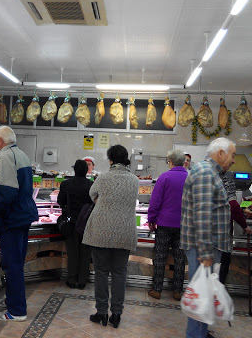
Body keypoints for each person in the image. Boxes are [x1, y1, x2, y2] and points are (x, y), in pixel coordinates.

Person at [180, 137, 236, 338]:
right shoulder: (205, 173)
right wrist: (205, 253)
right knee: (201, 295)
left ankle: (200, 333)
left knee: (205, 295)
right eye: (232, 154)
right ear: (220, 153)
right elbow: (202, 215)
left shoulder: (211, 172)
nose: (233, 160)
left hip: (208, 247)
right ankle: (195, 335)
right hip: (203, 248)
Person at [83, 145, 139, 329]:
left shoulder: (103, 177)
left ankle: (101, 312)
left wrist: (104, 203)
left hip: (101, 230)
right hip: (124, 231)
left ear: (111, 160)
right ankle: (116, 314)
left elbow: (92, 194)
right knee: (119, 273)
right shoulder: (134, 180)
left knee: (101, 272)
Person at [0, 126, 38, 322]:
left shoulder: (5, 156)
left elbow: (7, 191)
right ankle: (12, 299)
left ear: (1, 141)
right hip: (22, 216)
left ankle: (17, 310)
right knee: (14, 262)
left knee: (13, 265)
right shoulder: (20, 153)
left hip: (13, 218)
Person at [147, 150, 188, 301]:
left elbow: (155, 200)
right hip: (183, 225)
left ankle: (157, 290)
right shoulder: (190, 178)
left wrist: (151, 219)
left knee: (160, 257)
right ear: (184, 162)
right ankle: (178, 291)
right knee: (179, 258)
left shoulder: (164, 177)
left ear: (170, 161)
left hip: (164, 224)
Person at [57, 159, 93, 290]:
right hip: (86, 224)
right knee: (85, 252)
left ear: (74, 170)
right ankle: (82, 280)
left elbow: (60, 201)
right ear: (86, 171)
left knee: (72, 252)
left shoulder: (66, 184)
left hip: (71, 223)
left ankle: (71, 279)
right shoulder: (91, 185)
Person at [219, 170, 252, 284]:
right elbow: (233, 206)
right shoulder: (227, 182)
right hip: (223, 234)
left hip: (208, 233)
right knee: (223, 262)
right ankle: (218, 288)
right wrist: (244, 225)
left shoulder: (207, 181)